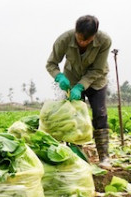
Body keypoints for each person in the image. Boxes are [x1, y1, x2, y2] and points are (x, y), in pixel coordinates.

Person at [46, 15, 112, 168]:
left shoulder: (104, 41)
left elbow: (97, 69)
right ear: (76, 31)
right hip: (72, 79)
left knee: (100, 114)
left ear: (94, 36)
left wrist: (81, 86)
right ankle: (76, 156)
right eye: (80, 39)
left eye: (87, 41)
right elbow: (51, 64)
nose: (82, 43)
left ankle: (104, 157)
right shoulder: (64, 40)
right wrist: (59, 77)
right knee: (72, 117)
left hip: (96, 81)